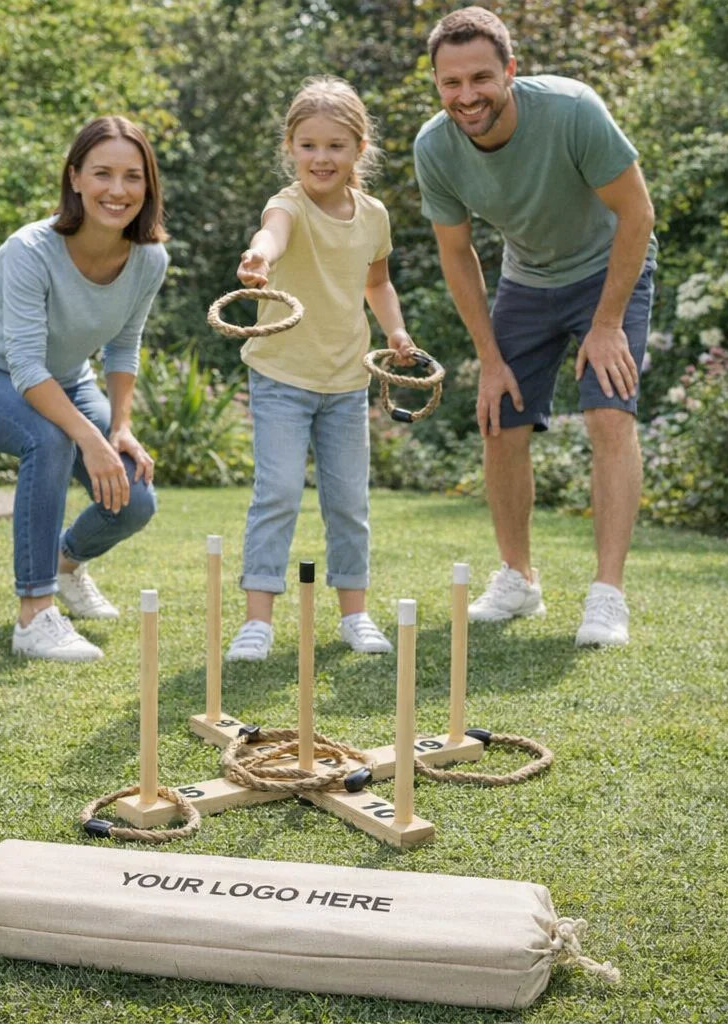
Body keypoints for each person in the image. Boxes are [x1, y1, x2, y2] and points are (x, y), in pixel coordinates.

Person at [413, 7, 657, 646]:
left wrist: (608, 324)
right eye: (451, 83)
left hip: (609, 269)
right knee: (500, 416)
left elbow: (638, 215)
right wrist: (489, 358)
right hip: (528, 280)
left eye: (482, 78)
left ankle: (607, 596)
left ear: (511, 72)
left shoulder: (572, 110)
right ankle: (519, 580)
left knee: (609, 414)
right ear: (436, 83)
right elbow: (457, 254)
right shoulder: (434, 147)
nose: (467, 96)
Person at [0, 116, 169, 662]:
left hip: (64, 380)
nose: (118, 190)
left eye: (133, 177)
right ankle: (34, 615)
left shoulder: (149, 259)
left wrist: (121, 430)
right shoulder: (29, 249)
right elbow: (26, 367)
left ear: (148, 186)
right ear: (75, 178)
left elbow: (123, 347)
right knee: (52, 438)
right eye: (102, 173)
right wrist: (90, 437)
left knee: (134, 499)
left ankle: (64, 566)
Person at [224, 76, 416, 662]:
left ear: (360, 148)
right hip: (282, 376)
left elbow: (376, 281)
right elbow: (272, 233)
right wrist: (260, 257)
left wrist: (395, 330)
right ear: (291, 147)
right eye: (308, 145)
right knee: (278, 493)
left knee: (348, 502)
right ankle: (259, 621)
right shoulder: (288, 205)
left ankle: (354, 615)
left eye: (335, 145)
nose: (321, 157)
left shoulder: (374, 215)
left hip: (346, 380)